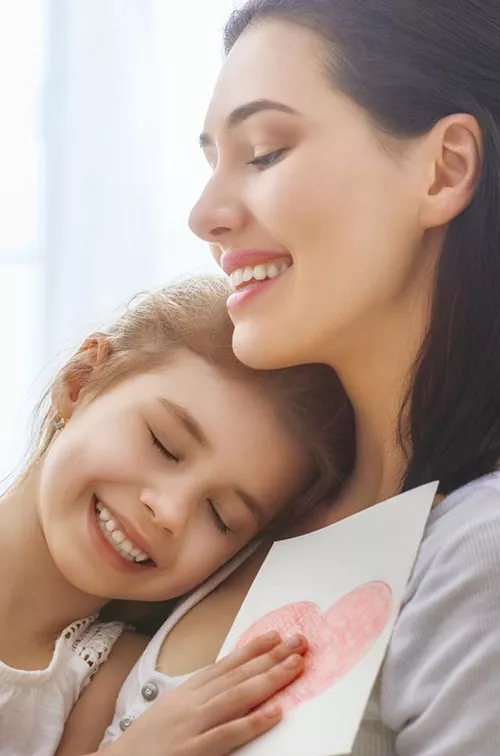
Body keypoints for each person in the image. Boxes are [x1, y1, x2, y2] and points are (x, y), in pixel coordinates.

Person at [105, 0, 499, 754]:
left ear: (444, 169)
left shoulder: (477, 550)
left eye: (262, 152)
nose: (205, 214)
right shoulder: (248, 509)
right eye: (210, 162)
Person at [0, 274, 354, 756]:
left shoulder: (109, 684)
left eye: (220, 515)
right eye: (164, 445)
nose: (168, 511)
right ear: (80, 380)